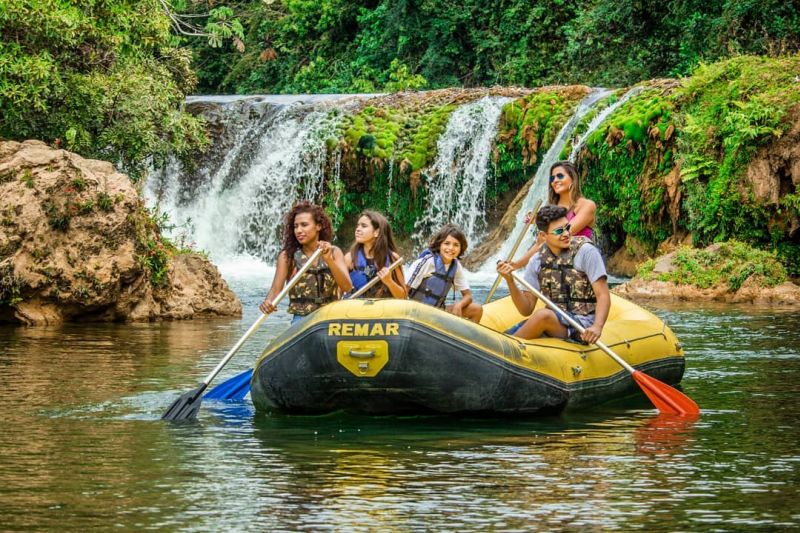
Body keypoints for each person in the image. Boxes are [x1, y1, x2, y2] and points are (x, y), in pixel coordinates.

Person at [496, 205, 609, 343]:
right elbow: (526, 309)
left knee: (543, 316)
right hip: (556, 320)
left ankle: (508, 349)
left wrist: (597, 326)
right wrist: (510, 281)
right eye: (559, 231)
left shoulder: (586, 252)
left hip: (582, 325)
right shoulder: (537, 260)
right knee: (500, 337)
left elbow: (602, 294)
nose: (566, 234)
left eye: (567, 227)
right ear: (543, 236)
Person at [259, 201, 352, 323]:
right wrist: (268, 302)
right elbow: (276, 290)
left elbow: (347, 287)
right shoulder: (287, 256)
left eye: (304, 225)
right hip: (302, 318)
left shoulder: (334, 252)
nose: (298, 230)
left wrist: (329, 260)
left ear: (318, 226)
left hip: (331, 316)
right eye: (296, 226)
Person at [511, 160, 597, 269]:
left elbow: (565, 232)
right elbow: (541, 243)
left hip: (579, 267)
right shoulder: (550, 209)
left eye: (560, 176)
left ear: (572, 178)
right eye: (552, 178)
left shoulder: (587, 205)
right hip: (554, 269)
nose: (555, 180)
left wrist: (539, 221)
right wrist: (516, 265)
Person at [406, 224, 482, 322]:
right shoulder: (426, 262)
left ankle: (466, 337)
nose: (451, 248)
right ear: (439, 245)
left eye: (456, 245)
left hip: (438, 311)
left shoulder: (456, 266)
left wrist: (459, 305)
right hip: (416, 311)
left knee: (477, 309)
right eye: (447, 243)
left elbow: (468, 296)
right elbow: (404, 290)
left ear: (461, 248)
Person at [344, 210, 407, 298]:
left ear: (376, 232)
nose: (358, 229)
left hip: (383, 310)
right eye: (357, 226)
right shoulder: (350, 258)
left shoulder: (392, 258)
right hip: (356, 309)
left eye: (364, 226)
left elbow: (403, 296)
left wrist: (389, 281)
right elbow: (339, 292)